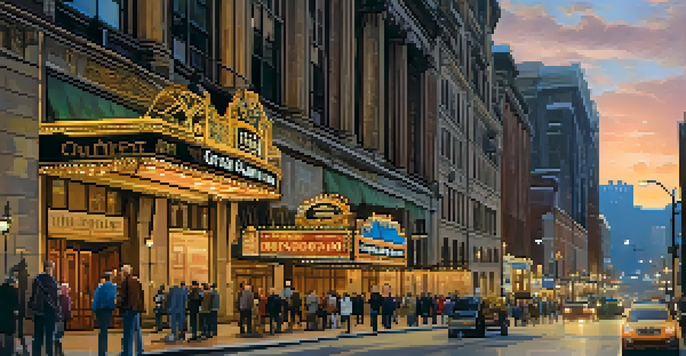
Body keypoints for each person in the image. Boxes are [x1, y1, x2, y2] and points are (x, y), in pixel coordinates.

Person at [30, 260, 59, 356]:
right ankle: (49, 353)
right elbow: (55, 298)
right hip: (50, 311)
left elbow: (33, 296)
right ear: (49, 268)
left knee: (38, 336)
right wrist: (57, 310)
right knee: (49, 336)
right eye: (52, 268)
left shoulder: (37, 279)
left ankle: (36, 353)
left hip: (39, 312)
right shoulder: (53, 281)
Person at [116, 265, 145, 356]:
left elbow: (122, 297)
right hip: (136, 309)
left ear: (124, 272)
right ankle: (139, 350)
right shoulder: (137, 281)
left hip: (128, 309)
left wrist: (118, 305)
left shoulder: (124, 282)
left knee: (128, 332)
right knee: (137, 330)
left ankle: (127, 352)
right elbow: (141, 295)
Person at [92, 272, 117, 356]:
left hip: (100, 310)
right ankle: (104, 349)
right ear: (110, 278)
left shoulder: (100, 287)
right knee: (105, 329)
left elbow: (96, 299)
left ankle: (101, 351)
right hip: (108, 310)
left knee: (102, 330)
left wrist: (94, 310)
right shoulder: (114, 287)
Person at [0, 276, 19, 356]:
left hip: (1, 315)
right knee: (9, 334)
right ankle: (9, 352)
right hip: (9, 316)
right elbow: (16, 304)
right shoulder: (13, 291)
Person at [54, 283, 72, 356]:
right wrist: (69, 317)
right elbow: (67, 309)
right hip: (62, 318)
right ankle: (59, 351)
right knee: (59, 335)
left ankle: (57, 350)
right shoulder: (66, 298)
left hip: (56, 318)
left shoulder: (56, 298)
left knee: (57, 334)